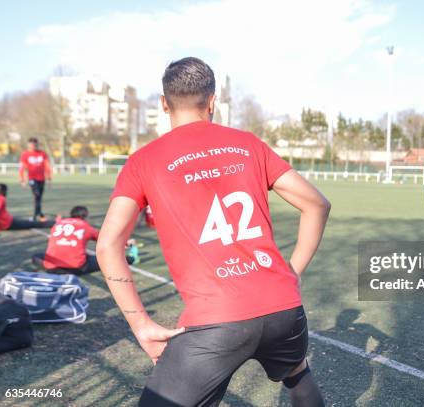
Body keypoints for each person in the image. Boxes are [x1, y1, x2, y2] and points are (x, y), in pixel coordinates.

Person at [96, 57, 330, 407]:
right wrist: (291, 272)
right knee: (296, 372)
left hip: (216, 321)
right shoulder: (249, 144)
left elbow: (108, 244)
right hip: (284, 308)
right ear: (212, 101)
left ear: (164, 104)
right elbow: (317, 204)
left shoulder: (144, 161)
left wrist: (141, 324)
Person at [32, 206, 133, 275]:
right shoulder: (85, 226)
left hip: (53, 266)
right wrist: (126, 243)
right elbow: (106, 240)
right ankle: (129, 259)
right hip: (77, 267)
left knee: (36, 256)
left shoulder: (58, 223)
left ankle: (57, 269)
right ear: (85, 216)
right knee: (104, 258)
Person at [19, 138, 52, 221]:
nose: (32, 146)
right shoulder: (25, 155)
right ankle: (36, 216)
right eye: (30, 145)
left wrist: (49, 179)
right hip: (32, 179)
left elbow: (47, 166)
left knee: (39, 197)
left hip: (42, 179)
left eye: (34, 145)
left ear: (37, 145)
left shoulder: (43, 154)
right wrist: (22, 180)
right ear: (28, 145)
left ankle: (39, 214)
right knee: (36, 195)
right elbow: (22, 168)